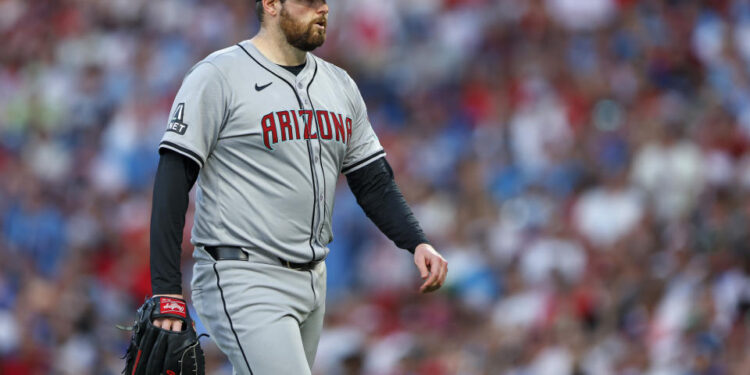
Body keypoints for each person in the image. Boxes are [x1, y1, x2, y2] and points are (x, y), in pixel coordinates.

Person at [148, 0, 448, 373]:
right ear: (271, 4)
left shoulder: (339, 85)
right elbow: (173, 178)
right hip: (243, 274)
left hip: (312, 278)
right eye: (308, 2)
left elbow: (372, 180)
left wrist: (415, 240)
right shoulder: (218, 75)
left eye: (324, 1)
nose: (322, 9)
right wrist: (166, 287)